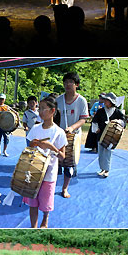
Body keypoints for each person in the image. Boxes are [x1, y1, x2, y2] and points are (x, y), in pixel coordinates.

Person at [23, 95, 67, 228]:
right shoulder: (35, 128)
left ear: (52, 111)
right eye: (39, 108)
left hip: (49, 173)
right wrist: (33, 144)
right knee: (32, 202)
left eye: (43, 109)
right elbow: (29, 146)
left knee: (46, 202)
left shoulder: (59, 132)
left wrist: (51, 147)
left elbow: (63, 157)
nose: (40, 111)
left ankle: (45, 219)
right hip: (33, 171)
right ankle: (33, 226)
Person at [56, 72, 88, 199]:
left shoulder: (81, 101)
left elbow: (83, 119)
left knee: (69, 165)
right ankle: (51, 186)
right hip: (59, 137)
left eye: (70, 82)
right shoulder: (58, 100)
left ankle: (65, 188)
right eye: (65, 82)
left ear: (77, 85)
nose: (67, 84)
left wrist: (71, 128)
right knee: (54, 163)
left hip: (73, 138)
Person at [92, 93, 125, 178]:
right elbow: (94, 121)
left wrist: (118, 123)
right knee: (101, 153)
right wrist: (96, 129)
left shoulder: (117, 112)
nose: (105, 101)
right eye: (105, 100)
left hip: (111, 137)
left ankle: (107, 170)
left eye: (107, 100)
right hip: (101, 135)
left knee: (108, 152)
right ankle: (102, 169)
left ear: (111, 102)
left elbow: (123, 121)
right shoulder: (100, 111)